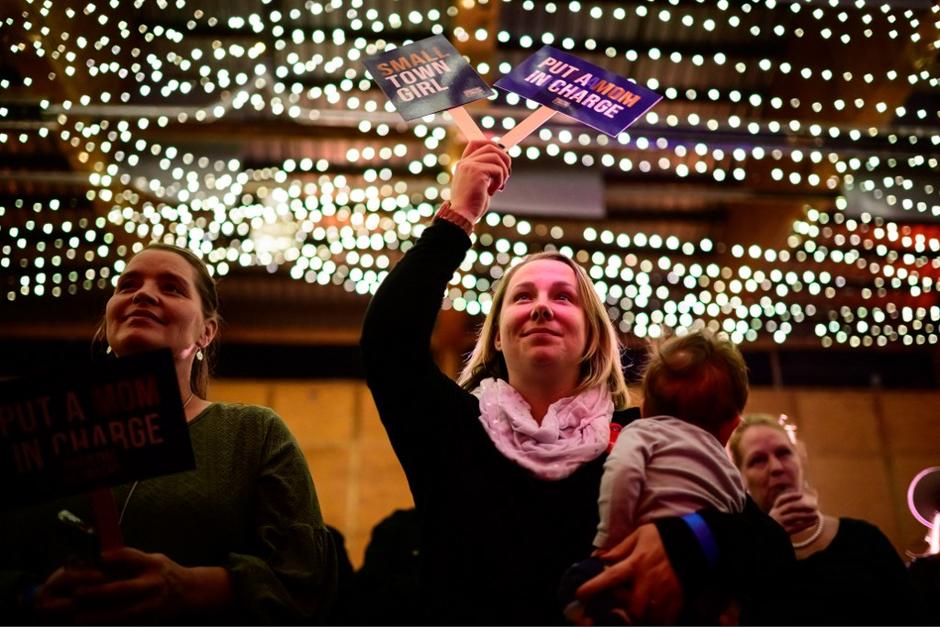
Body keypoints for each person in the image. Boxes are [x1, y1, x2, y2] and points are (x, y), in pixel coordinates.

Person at [361, 140, 794, 624]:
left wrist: (689, 539)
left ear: (591, 337)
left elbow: (770, 549)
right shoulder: (451, 427)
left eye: (563, 297)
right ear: (498, 339)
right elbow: (387, 345)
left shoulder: (642, 434)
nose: (542, 306)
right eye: (522, 297)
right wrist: (458, 215)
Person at [0, 243, 337, 624]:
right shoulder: (33, 426)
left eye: (172, 288)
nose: (142, 294)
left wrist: (193, 588)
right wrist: (30, 596)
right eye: (127, 285)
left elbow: (306, 580)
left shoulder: (252, 434)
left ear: (206, 332)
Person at [567, 331, 749, 623]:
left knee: (577, 581)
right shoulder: (729, 469)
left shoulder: (642, 431)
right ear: (730, 427)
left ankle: (611, 614)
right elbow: (738, 522)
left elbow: (623, 475)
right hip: (700, 582)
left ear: (644, 410)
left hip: (630, 558)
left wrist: (610, 539)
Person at [727, 413, 923, 624]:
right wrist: (768, 540)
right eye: (758, 460)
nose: (776, 467)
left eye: (783, 453)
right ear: (740, 479)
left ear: (800, 461)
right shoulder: (739, 558)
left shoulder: (863, 539)